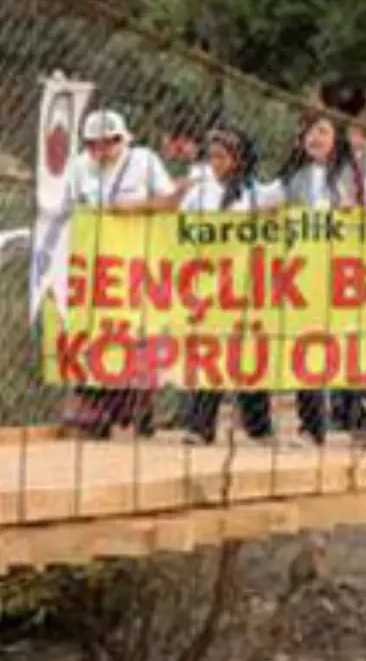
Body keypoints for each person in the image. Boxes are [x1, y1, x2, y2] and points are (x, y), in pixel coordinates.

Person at [62, 109, 181, 439]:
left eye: (109, 142)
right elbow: (66, 210)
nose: (102, 150)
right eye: (94, 144)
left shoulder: (143, 161)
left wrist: (130, 208)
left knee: (134, 334)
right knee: (95, 336)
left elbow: (170, 202)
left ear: (122, 139)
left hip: (137, 261)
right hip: (94, 267)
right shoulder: (77, 167)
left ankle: (136, 408)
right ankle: (96, 409)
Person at [178, 126, 282, 446]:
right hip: (210, 284)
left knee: (248, 356)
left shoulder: (256, 193)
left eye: (222, 157)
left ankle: (259, 427)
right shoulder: (200, 192)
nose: (215, 163)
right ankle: (200, 426)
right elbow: (181, 227)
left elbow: (282, 205)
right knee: (210, 353)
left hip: (246, 285)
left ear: (238, 159)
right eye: (212, 156)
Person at [278, 112, 366, 446]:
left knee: (347, 343)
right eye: (309, 131)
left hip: (345, 269)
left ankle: (357, 418)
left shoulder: (353, 175)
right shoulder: (294, 178)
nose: (315, 137)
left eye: (323, 131)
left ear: (337, 139)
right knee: (308, 344)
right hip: (306, 272)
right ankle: (311, 426)